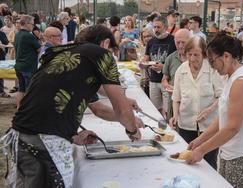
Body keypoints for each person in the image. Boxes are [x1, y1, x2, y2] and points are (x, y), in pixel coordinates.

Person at [4, 24, 142, 188]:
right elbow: (122, 111)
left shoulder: (65, 55)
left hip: (20, 136)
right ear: (105, 44)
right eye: (112, 51)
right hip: (43, 142)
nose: (110, 55)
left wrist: (72, 135)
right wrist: (132, 128)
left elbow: (48, 102)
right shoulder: (101, 55)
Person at [186, 32, 243, 188]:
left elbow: (232, 127)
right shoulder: (232, 78)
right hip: (231, 152)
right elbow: (223, 119)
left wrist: (201, 151)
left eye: (212, 61)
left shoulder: (241, 82)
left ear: (226, 56)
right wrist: (199, 140)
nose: (211, 67)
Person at [169, 36, 223, 169]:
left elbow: (221, 96)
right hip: (186, 125)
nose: (192, 58)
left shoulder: (212, 69)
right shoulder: (181, 70)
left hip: (208, 128)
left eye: (196, 55)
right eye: (189, 54)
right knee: (186, 161)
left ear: (204, 54)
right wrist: (175, 116)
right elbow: (176, 98)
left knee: (208, 164)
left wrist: (209, 110)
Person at [142, 16, 176, 118]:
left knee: (168, 110)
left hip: (167, 81)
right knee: (155, 109)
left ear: (165, 27)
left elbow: (177, 62)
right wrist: (143, 63)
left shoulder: (173, 41)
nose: (156, 30)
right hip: (153, 80)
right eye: (154, 27)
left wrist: (163, 67)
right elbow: (146, 58)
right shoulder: (151, 41)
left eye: (158, 27)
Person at [162, 29, 190, 120]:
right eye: (178, 43)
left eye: (183, 42)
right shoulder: (171, 58)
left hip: (189, 104)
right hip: (173, 100)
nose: (181, 46)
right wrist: (167, 86)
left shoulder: (195, 58)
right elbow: (164, 79)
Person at [14, 15, 41, 108]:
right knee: (29, 91)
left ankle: (19, 109)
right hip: (28, 67)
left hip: (19, 66)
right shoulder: (29, 36)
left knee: (21, 90)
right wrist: (40, 38)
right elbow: (39, 49)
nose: (33, 26)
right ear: (27, 24)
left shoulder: (17, 34)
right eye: (32, 24)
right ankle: (27, 110)